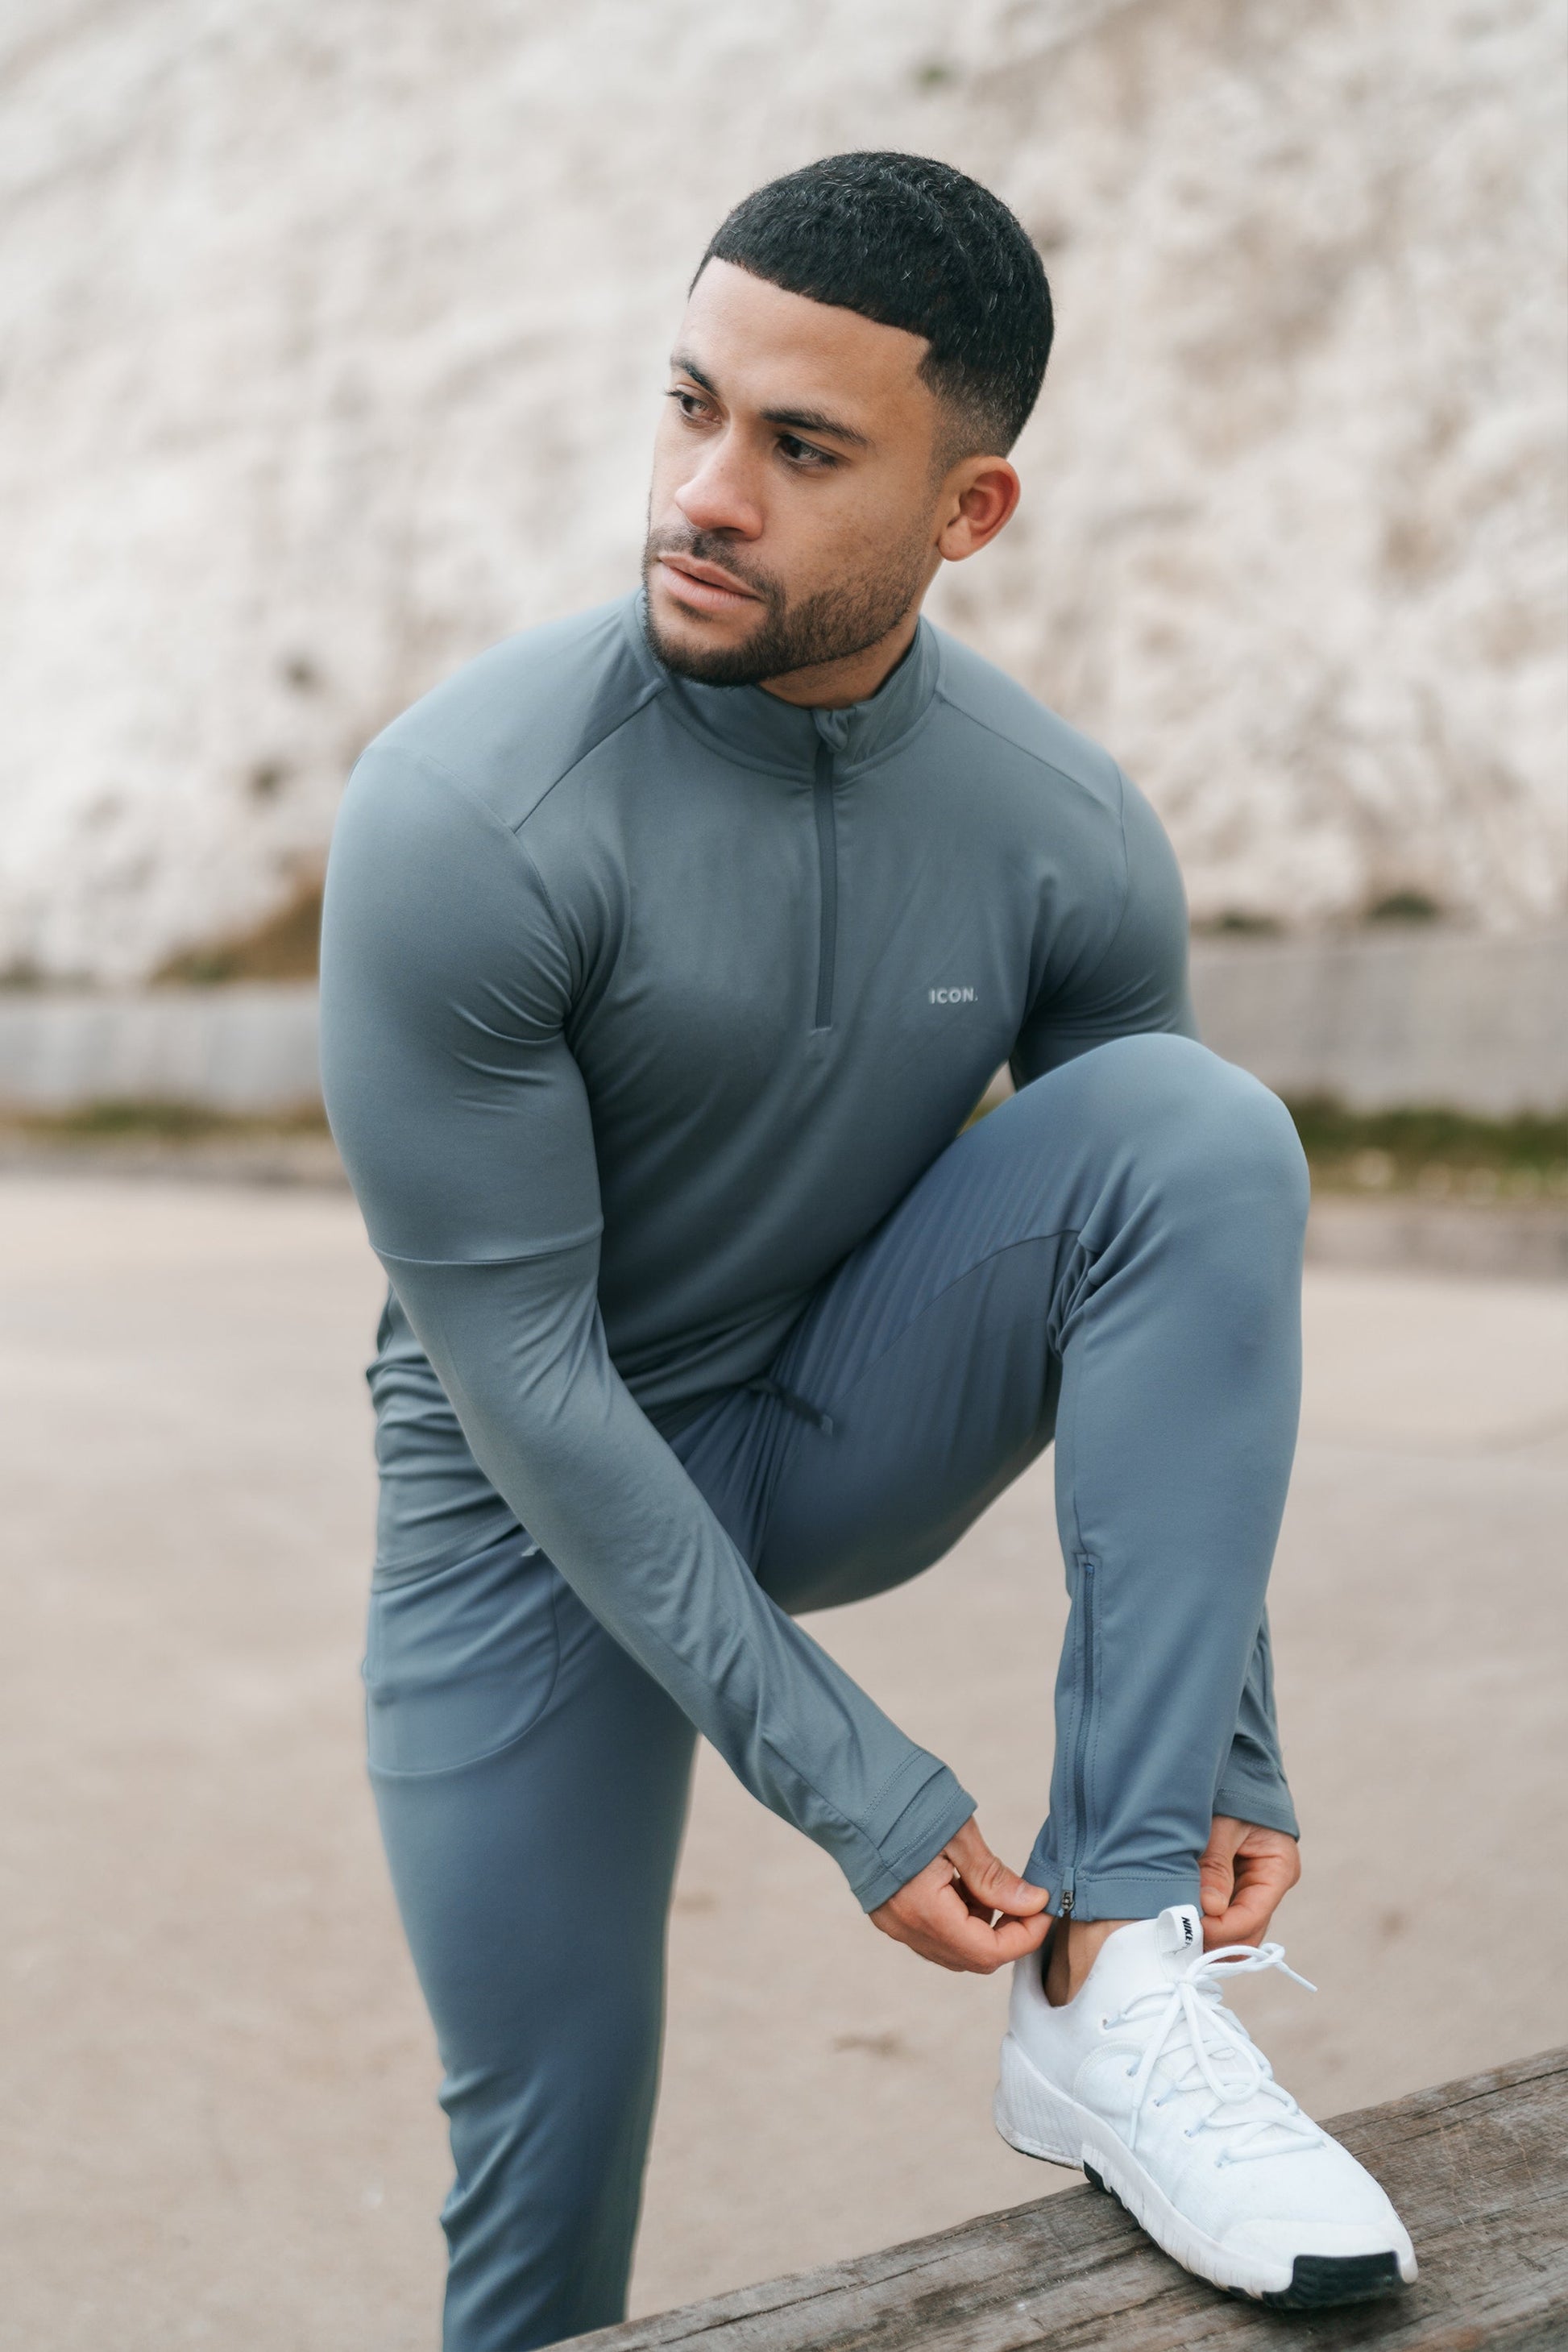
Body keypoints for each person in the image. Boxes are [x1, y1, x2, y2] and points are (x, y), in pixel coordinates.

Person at [320, 151, 1416, 2350]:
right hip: (522, 1521)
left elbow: (1175, 1290)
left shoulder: (1062, 825)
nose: (703, 494)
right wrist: (859, 1789)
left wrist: (1225, 1749)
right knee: (547, 2164)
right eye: (690, 405)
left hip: (830, 1422)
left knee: (1196, 1126)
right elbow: (527, 1380)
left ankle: (1118, 1990)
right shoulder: (462, 817)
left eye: (803, 447)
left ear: (966, 509)